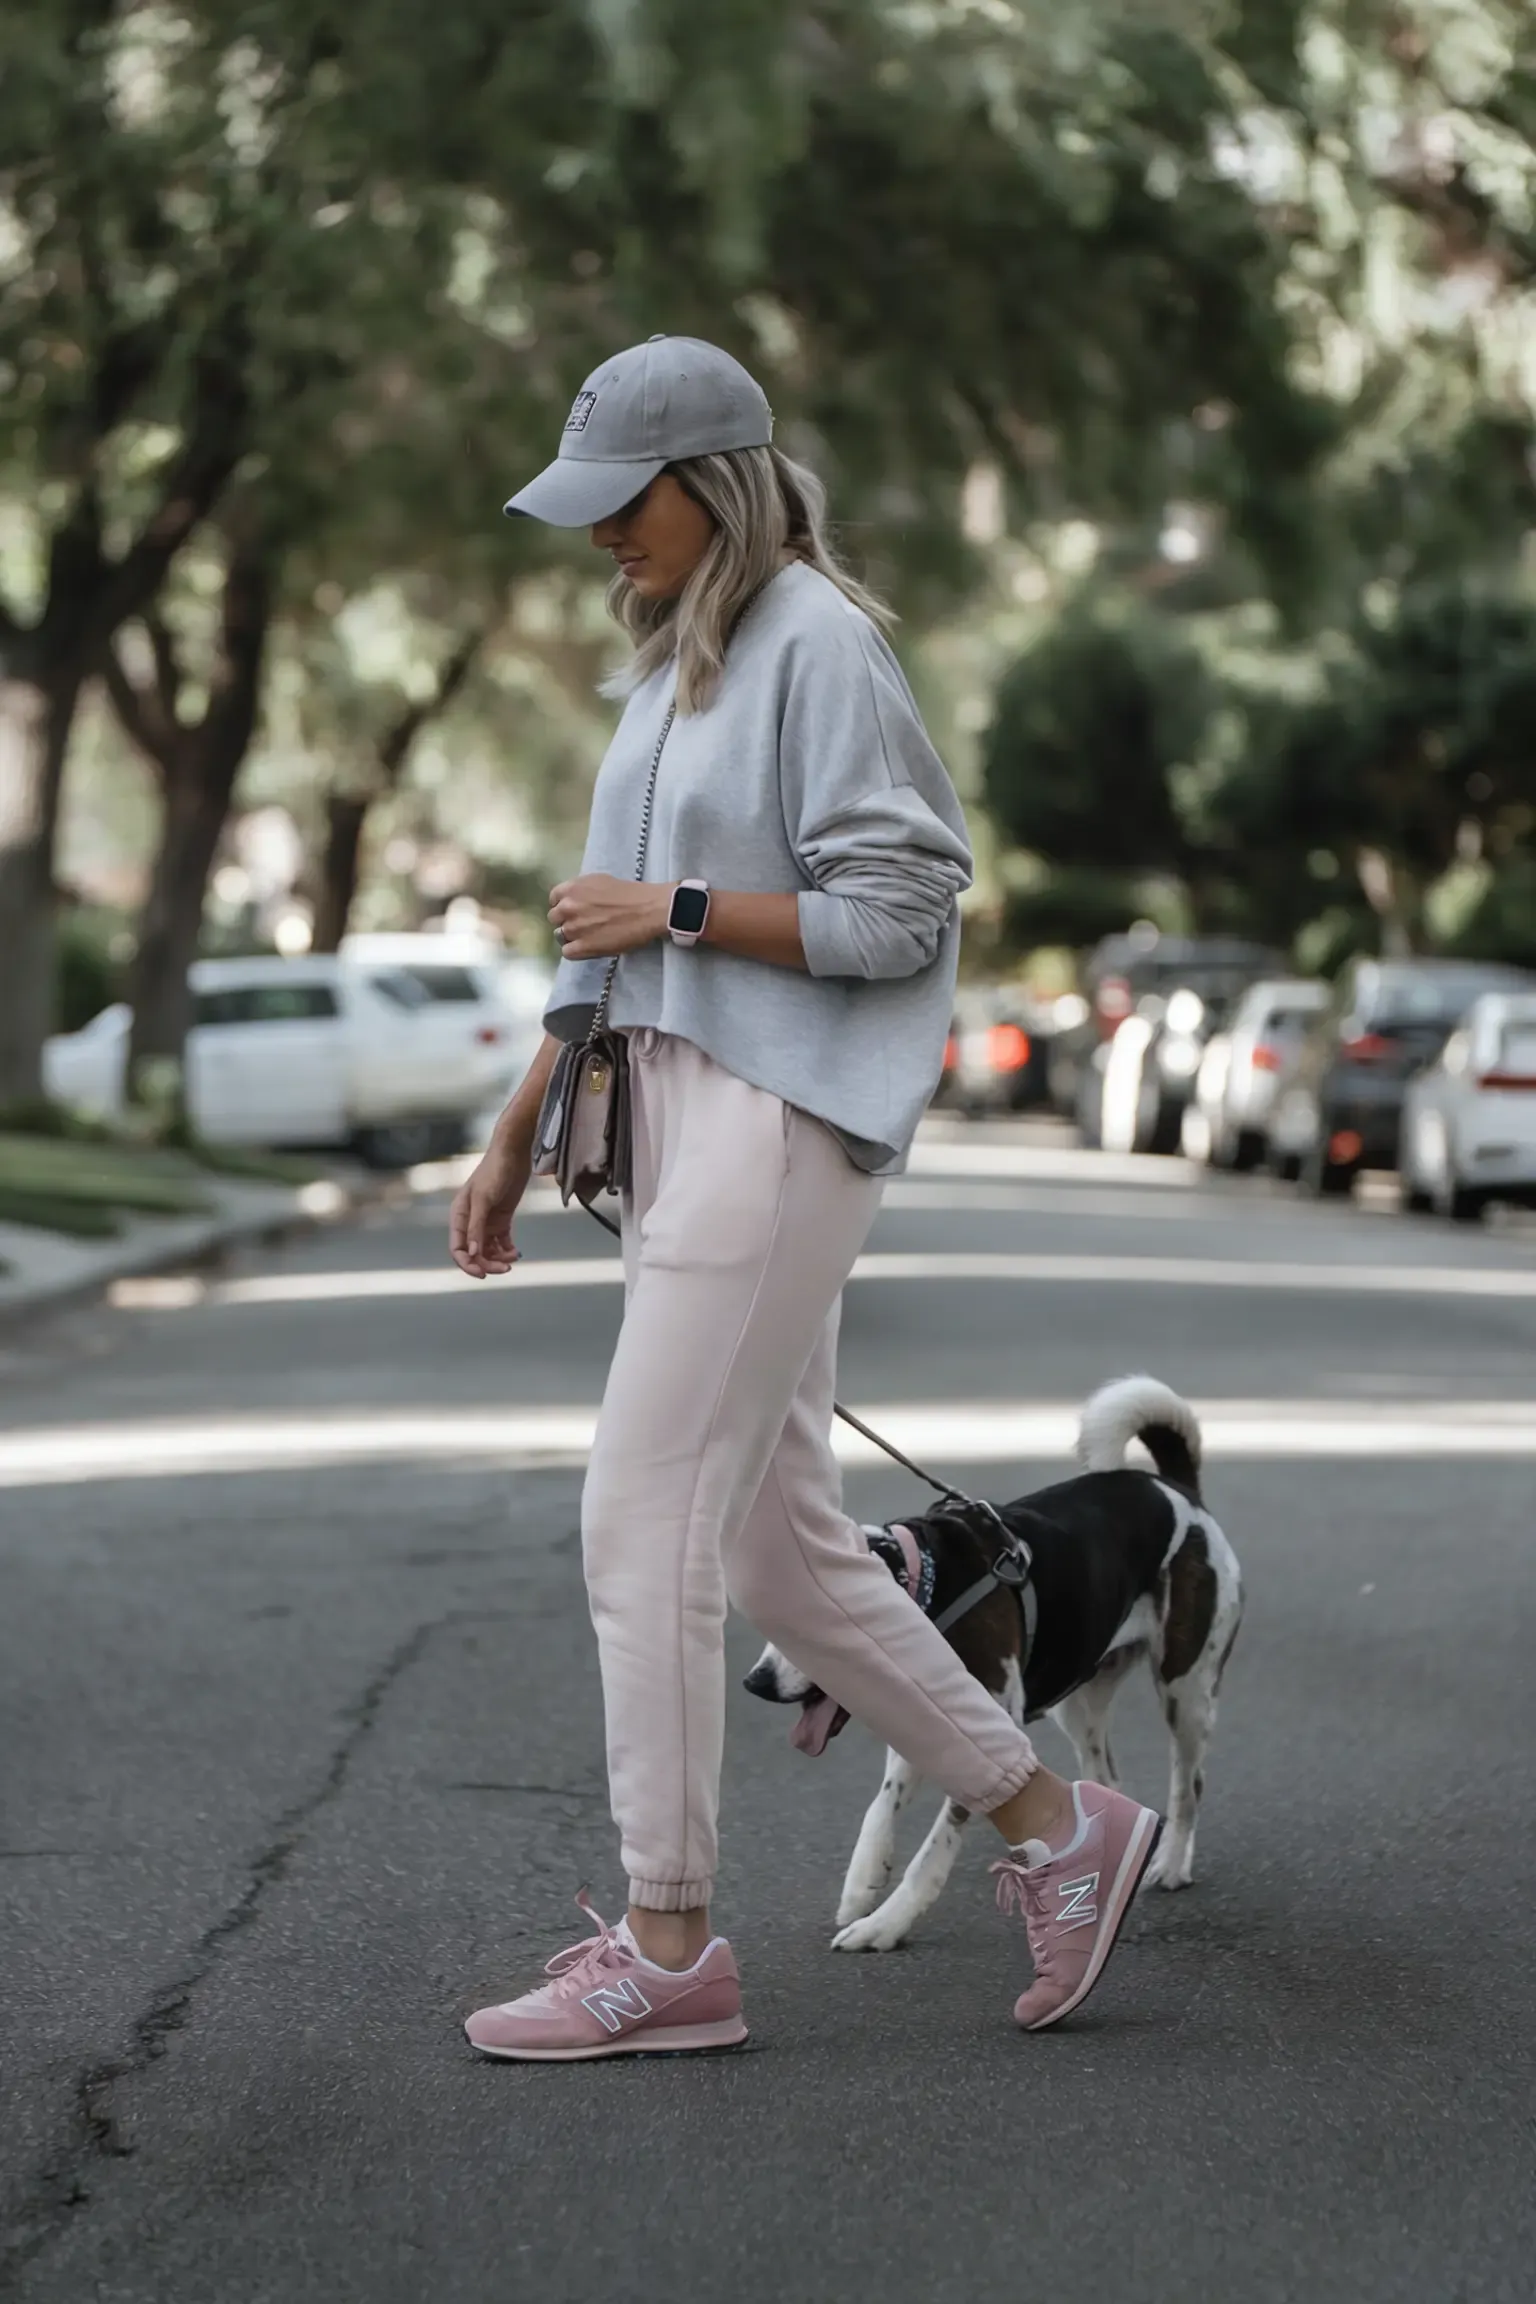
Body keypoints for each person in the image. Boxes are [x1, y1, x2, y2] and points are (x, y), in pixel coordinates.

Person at [450, 335, 1162, 2060]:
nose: (601, 537)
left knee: (641, 1517)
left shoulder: (818, 642)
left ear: (715, 485)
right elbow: (604, 939)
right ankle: (1057, 1828)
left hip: (774, 1129)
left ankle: (672, 1940)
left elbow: (903, 905)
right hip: (673, 1123)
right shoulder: (673, 668)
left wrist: (681, 910)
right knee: (777, 1547)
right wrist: (516, 1121)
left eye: (624, 507)